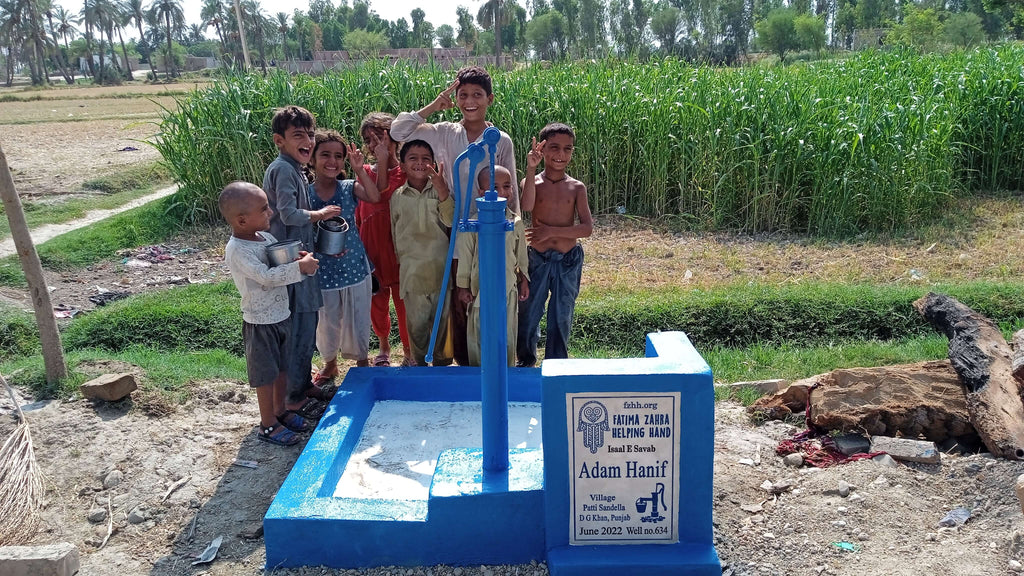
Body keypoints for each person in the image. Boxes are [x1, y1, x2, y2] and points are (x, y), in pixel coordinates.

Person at [389, 65, 519, 367]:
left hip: (488, 231)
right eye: (463, 95)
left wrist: (513, 235)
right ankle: (458, 361)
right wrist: (435, 106)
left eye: (477, 94)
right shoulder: (445, 132)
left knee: (483, 292)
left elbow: (509, 187)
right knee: (456, 296)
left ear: (490, 99)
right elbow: (398, 132)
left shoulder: (500, 140)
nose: (469, 101)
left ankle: (487, 361)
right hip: (449, 227)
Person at [219, 181, 320, 446]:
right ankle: (267, 424)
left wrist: (295, 259)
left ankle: (281, 410)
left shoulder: (264, 238)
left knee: (283, 367)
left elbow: (277, 261)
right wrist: (300, 269)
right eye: (264, 210)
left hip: (281, 315)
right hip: (260, 322)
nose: (270, 213)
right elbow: (265, 277)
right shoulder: (238, 250)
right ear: (242, 220)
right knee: (266, 376)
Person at [263, 105, 341, 421]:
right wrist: (319, 215)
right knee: (298, 327)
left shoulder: (294, 168)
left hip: (301, 258)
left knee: (307, 324)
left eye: (310, 134)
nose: (307, 140)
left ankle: (303, 384)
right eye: (299, 135)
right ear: (279, 141)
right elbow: (287, 214)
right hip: (289, 260)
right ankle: (293, 399)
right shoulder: (282, 169)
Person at [516, 123, 594, 367]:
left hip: (568, 259)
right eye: (554, 148)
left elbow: (586, 228)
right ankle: (526, 360)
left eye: (567, 149)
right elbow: (527, 206)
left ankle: (557, 364)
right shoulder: (532, 183)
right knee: (529, 312)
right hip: (537, 258)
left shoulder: (576, 187)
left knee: (561, 314)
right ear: (542, 149)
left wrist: (552, 231)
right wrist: (531, 168)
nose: (561, 155)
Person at [308, 130, 380, 382]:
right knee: (326, 321)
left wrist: (359, 169)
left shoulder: (348, 187)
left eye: (338, 156)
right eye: (325, 155)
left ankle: (362, 360)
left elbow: (374, 196)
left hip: (354, 267)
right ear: (312, 159)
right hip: (322, 270)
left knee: (359, 315)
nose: (332, 161)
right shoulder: (306, 194)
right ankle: (330, 363)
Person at [355, 112, 414, 367]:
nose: (373, 144)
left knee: (404, 303)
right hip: (373, 248)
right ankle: (384, 345)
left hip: (399, 248)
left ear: (394, 136)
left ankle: (410, 350)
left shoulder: (408, 171)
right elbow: (371, 199)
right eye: (368, 140)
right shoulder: (364, 172)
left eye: (379, 136)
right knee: (376, 302)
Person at [455, 166, 529, 367]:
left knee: (506, 331)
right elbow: (466, 257)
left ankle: (506, 372)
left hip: (507, 287)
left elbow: (520, 254)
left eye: (507, 186)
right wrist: (463, 286)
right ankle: (480, 374)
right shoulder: (473, 223)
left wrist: (524, 279)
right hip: (480, 288)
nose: (502, 192)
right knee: (480, 331)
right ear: (481, 193)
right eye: (494, 187)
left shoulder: (515, 222)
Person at [390, 140, 454, 367]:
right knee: (416, 325)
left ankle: (443, 364)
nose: (420, 163)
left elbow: (450, 221)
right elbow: (395, 233)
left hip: (440, 268)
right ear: (402, 165)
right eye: (413, 158)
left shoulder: (439, 191)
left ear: (433, 163)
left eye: (426, 158)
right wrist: (402, 263)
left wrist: (443, 190)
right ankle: (419, 363)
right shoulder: (397, 196)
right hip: (412, 271)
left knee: (443, 321)